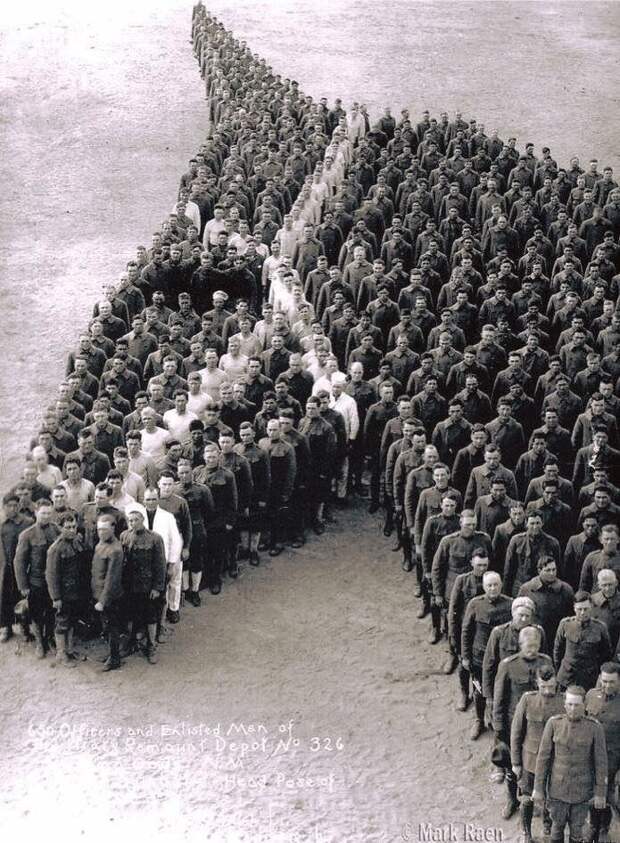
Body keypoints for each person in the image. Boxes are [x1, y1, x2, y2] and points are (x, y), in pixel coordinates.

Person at [492, 625, 554, 819]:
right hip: (514, 724)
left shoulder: (546, 661)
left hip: (538, 724)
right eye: (528, 646)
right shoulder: (508, 665)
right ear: (519, 645)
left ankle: (537, 801)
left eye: (535, 646)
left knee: (536, 763)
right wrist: (499, 727)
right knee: (513, 765)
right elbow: (499, 698)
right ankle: (512, 799)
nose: (532, 649)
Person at [533, 685, 608, 843]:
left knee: (577, 830)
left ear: (585, 705)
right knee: (557, 827)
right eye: (570, 704)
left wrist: (600, 793)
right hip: (557, 790)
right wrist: (538, 788)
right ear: (564, 704)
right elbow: (543, 758)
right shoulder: (554, 724)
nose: (573, 709)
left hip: (582, 791)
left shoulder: (595, 728)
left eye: (577, 705)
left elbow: (601, 763)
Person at [510, 665, 564, 843]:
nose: (548, 691)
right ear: (537, 684)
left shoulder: (564, 701)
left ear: (556, 681)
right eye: (543, 687)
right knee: (527, 798)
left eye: (551, 686)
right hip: (530, 760)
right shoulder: (527, 700)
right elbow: (517, 732)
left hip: (554, 761)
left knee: (551, 795)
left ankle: (547, 823)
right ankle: (527, 832)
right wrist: (516, 762)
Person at [461, 571, 513, 740]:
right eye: (489, 585)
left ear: (501, 585)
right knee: (480, 690)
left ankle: (497, 720)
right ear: (483, 587)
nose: (493, 588)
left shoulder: (510, 604)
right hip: (480, 656)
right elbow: (466, 631)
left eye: (496, 584)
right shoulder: (475, 604)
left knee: (502, 690)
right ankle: (479, 720)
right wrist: (466, 656)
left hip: (502, 657)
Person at [120, 503, 167, 664]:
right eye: (130, 520)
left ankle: (151, 646)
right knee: (130, 615)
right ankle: (131, 642)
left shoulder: (155, 538)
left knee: (151, 617)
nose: (133, 523)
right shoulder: (124, 536)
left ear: (143, 519)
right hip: (130, 586)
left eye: (136, 519)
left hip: (148, 587)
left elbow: (160, 565)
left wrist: (157, 587)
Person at [13, 499, 60, 658]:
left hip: (53, 583)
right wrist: (23, 585)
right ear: (36, 512)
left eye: (49, 513)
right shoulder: (27, 535)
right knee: (37, 614)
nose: (46, 516)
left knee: (53, 612)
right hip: (36, 582)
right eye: (43, 513)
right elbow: (19, 562)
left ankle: (50, 638)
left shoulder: (57, 531)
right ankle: (40, 642)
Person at [585, 663, 620, 841]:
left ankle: (604, 828)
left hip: (613, 760)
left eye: (612, 682)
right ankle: (593, 824)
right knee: (592, 793)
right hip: (590, 757)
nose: (607, 686)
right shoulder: (591, 695)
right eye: (604, 681)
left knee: (605, 795)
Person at [45, 511, 85, 667]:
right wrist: (56, 598)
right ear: (60, 528)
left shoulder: (75, 542)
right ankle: (61, 654)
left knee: (72, 621)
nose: (72, 530)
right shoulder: (55, 549)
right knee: (62, 623)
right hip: (63, 595)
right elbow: (51, 576)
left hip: (75, 592)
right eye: (68, 527)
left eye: (74, 526)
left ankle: (69, 650)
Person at [554, 590, 613, 690]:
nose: (582, 612)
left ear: (591, 608)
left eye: (586, 609)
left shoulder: (600, 628)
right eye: (579, 609)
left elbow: (606, 654)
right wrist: (560, 670)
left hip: (589, 679)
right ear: (574, 608)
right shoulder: (565, 624)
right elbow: (557, 650)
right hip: (566, 678)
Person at [91, 514, 124, 672]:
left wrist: (102, 601)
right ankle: (112, 654)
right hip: (99, 593)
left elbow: (112, 579)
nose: (101, 533)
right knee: (107, 626)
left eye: (105, 529)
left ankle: (115, 658)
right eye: (99, 529)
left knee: (112, 628)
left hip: (109, 597)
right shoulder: (101, 544)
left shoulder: (115, 549)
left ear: (113, 528)